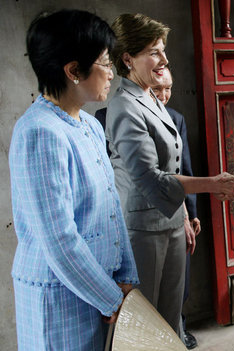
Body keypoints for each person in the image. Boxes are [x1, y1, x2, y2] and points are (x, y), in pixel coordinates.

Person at [106, 13, 234, 340]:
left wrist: (183, 216)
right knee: (140, 325)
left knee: (169, 321)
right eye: (154, 51)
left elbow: (172, 167)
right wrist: (211, 184)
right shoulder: (125, 106)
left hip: (169, 223)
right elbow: (152, 179)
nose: (164, 59)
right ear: (128, 58)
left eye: (163, 50)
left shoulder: (149, 97)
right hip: (141, 231)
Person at [9, 9, 139, 350]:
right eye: (105, 63)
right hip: (59, 298)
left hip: (95, 291)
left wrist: (125, 278)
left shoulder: (90, 125)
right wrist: (111, 298)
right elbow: (59, 241)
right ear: (73, 70)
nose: (112, 73)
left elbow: (111, 208)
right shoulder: (40, 132)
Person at [151, 66, 200, 349]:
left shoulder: (175, 119)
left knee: (179, 278)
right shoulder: (107, 116)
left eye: (168, 89)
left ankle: (178, 325)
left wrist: (192, 215)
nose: (164, 95)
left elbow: (185, 170)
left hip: (178, 210)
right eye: (158, 89)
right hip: (142, 212)